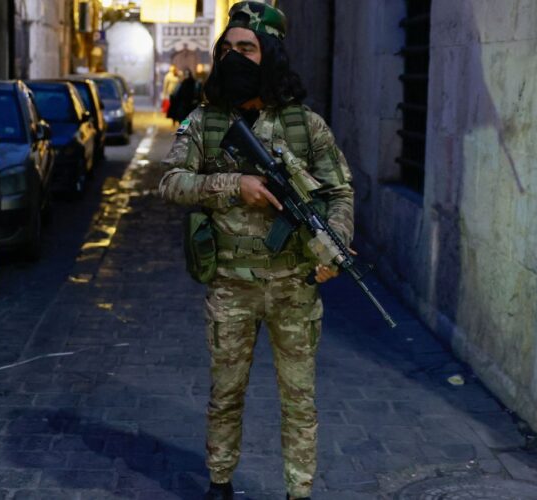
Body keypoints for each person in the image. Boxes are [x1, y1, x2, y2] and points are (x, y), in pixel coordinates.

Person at [158, 2, 354, 500]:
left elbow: (339, 193)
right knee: (225, 395)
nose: (234, 56)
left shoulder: (304, 125)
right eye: (227, 49)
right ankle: (219, 484)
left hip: (294, 288)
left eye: (246, 48)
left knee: (299, 401)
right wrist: (233, 183)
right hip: (232, 286)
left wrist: (335, 244)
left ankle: (299, 492)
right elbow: (170, 183)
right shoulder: (204, 122)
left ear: (270, 54)